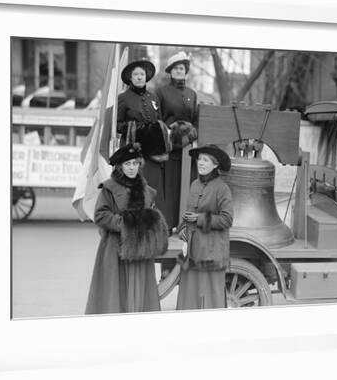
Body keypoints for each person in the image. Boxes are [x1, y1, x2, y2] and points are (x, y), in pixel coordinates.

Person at [85, 143, 169, 314]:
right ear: (120, 167)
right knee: (116, 291)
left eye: (135, 163)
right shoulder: (109, 188)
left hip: (141, 251)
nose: (132, 168)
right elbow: (100, 215)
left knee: (140, 292)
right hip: (115, 248)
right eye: (128, 164)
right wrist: (125, 224)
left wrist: (153, 222)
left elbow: (153, 214)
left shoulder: (147, 191)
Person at [176, 144, 233, 310]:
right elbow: (190, 213)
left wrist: (200, 219)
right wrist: (182, 228)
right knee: (190, 291)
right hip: (193, 249)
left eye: (205, 160)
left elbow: (227, 219)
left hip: (211, 252)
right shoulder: (195, 184)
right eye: (199, 159)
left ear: (215, 165)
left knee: (210, 293)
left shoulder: (222, 188)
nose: (200, 163)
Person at [117, 59, 172, 219]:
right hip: (134, 154)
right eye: (136, 74)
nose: (140, 77)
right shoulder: (124, 98)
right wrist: (135, 129)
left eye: (142, 74)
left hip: (154, 155)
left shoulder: (153, 97)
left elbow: (160, 121)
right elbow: (117, 125)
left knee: (153, 190)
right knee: (136, 192)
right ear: (130, 78)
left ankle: (156, 224)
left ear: (146, 77)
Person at [156, 52, 199, 230]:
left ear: (186, 72)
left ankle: (185, 225)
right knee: (170, 187)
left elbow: (196, 118)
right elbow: (158, 119)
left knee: (188, 187)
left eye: (182, 68)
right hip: (170, 147)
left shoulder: (192, 94)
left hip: (188, 150)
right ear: (170, 72)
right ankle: (168, 224)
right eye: (176, 68)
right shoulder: (161, 92)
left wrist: (194, 136)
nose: (179, 71)